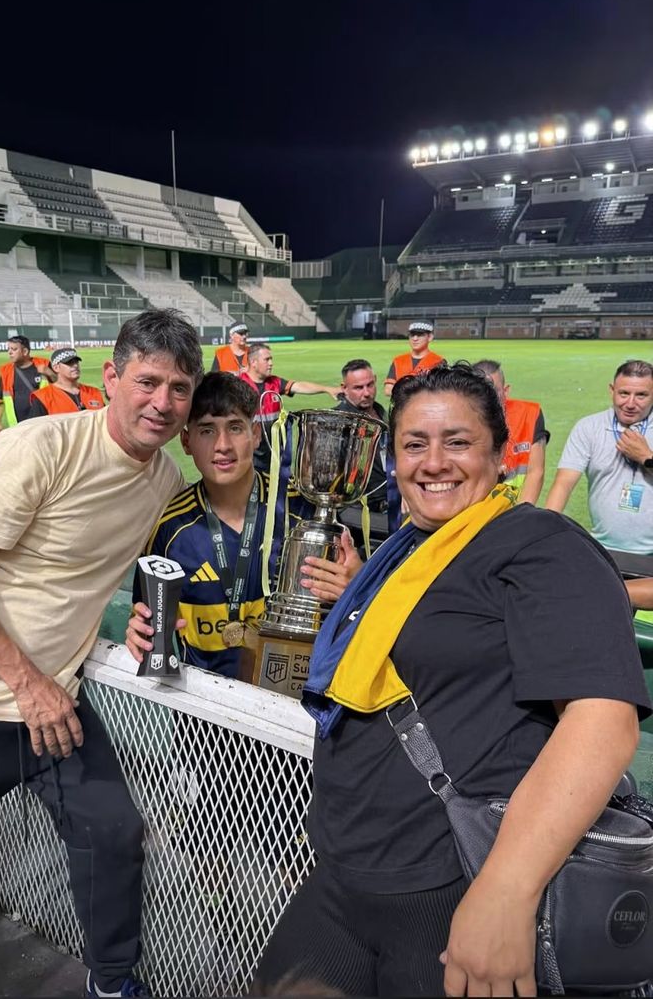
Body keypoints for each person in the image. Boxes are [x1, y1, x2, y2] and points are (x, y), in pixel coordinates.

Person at [254, 363, 649, 997]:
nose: (434, 462)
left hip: (450, 885)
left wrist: (505, 892)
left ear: (500, 454)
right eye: (415, 444)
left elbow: (605, 720)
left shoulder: (539, 543)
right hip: (342, 876)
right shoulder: (408, 545)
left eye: (457, 442)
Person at [0, 309, 204, 999]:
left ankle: (114, 982)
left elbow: (99, 575)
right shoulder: (41, 447)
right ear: (111, 377)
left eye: (180, 389)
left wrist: (133, 627)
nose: (162, 403)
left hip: (51, 702)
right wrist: (25, 682)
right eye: (148, 381)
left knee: (113, 831)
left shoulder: (163, 480)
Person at [126, 372, 358, 680]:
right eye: (207, 430)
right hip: (204, 709)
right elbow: (145, 620)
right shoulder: (170, 528)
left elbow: (352, 606)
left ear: (256, 434)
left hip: (292, 702)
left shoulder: (303, 511)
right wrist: (139, 631)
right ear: (186, 441)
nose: (222, 445)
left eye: (235, 428)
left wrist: (354, 587)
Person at [545, 359, 653, 554]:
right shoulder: (589, 427)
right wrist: (543, 533)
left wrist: (646, 457)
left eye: (641, 395)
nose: (630, 403)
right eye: (624, 393)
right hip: (602, 548)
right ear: (612, 390)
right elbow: (563, 483)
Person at [240, 344, 342, 471]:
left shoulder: (275, 383)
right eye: (267, 359)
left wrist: (327, 389)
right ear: (253, 362)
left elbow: (299, 386)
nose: (271, 363)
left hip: (274, 455)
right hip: (250, 455)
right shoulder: (238, 385)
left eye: (271, 359)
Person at [472, 359, 550, 504]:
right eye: (478, 391)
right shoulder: (456, 420)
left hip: (515, 509)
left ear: (506, 391)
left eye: (493, 390)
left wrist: (522, 516)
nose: (486, 397)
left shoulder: (529, 414)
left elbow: (536, 472)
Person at [332, 359, 388, 511]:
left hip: (393, 502)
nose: (367, 393)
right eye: (358, 388)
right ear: (344, 388)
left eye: (370, 385)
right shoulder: (337, 421)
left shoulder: (384, 414)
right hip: (360, 510)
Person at [0, 334, 54, 432]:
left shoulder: (44, 365)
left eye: (14, 349)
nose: (10, 352)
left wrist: (50, 373)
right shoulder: (6, 371)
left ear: (25, 351)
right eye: (8, 349)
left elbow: (62, 386)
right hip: (18, 427)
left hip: (43, 423)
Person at [28, 347, 105, 416]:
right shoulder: (43, 397)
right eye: (69, 363)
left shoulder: (94, 392)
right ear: (56, 368)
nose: (75, 366)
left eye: (76, 362)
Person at [382, 321, 444, 397]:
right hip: (402, 407)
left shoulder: (438, 361)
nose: (415, 338)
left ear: (430, 337)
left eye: (420, 335)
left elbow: (441, 390)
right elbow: (388, 390)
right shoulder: (398, 360)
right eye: (412, 335)